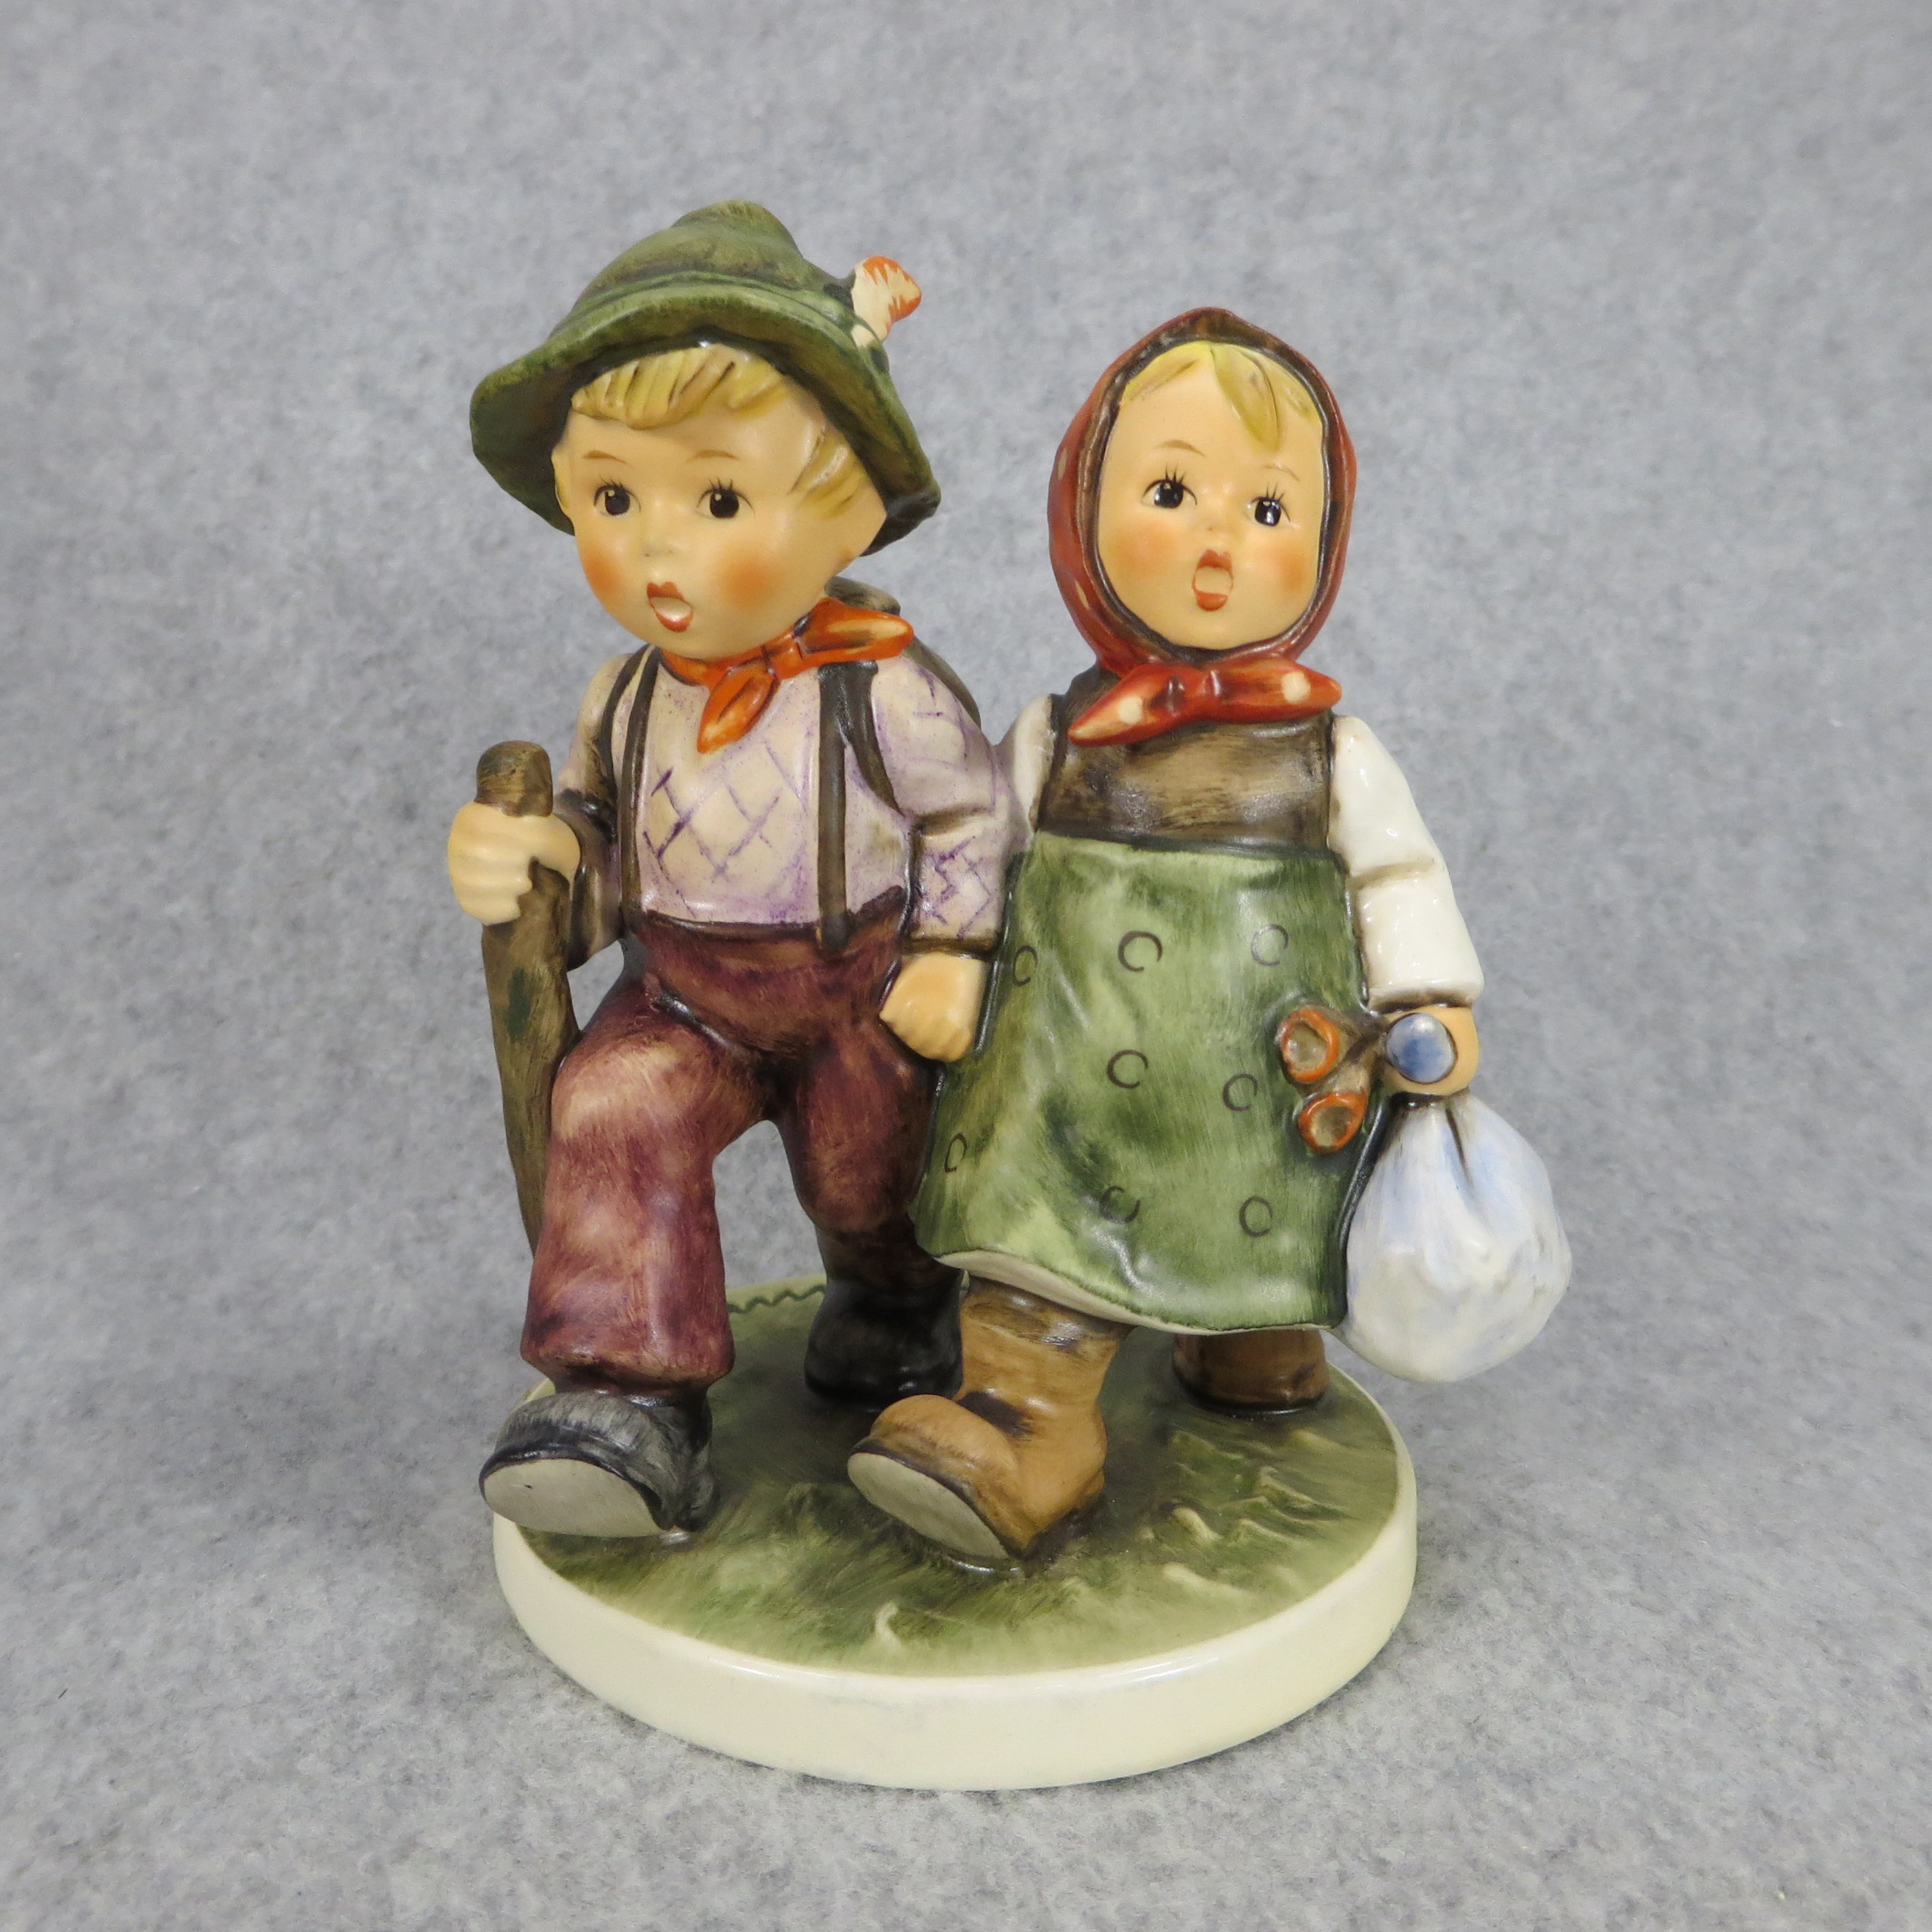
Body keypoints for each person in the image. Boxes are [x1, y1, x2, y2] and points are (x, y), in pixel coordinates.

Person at [849, 312, 1484, 1560]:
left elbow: (1400, 874)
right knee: (1041, 1235)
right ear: (1082, 514)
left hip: (1259, 1065)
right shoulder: (1054, 731)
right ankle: (1030, 1428)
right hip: (1067, 1067)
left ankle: (1254, 1348)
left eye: (1267, 509)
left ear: (1324, 544)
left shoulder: (1333, 752)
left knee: (1261, 1214)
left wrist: (1428, 1000)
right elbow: (970, 856)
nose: (1215, 540)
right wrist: (953, 956)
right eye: (1171, 491)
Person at [450, 204, 1009, 1539]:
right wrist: (539, 862)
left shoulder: (883, 691)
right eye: (614, 499)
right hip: (684, 992)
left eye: (716, 500)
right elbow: (601, 838)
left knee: (872, 1177)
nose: (658, 548)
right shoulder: (627, 697)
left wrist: (952, 952)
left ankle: (894, 1304)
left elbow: (972, 818)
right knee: (611, 1109)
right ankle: (626, 1400)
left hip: (856, 984)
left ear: (847, 513)